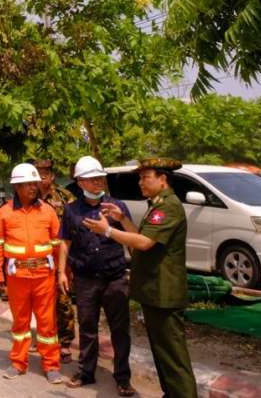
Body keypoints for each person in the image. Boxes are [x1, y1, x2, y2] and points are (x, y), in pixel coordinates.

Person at [83, 158, 196, 398]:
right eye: (140, 178)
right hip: (155, 291)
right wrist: (122, 219)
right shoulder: (156, 205)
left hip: (164, 292)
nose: (140, 182)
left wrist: (108, 230)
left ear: (163, 179)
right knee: (162, 352)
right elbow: (141, 239)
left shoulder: (168, 207)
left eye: (145, 177)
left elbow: (144, 243)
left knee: (173, 356)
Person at [59, 156, 135, 396]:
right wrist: (62, 272)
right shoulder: (71, 210)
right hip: (85, 279)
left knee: (120, 330)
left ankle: (123, 378)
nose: (98, 182)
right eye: (92, 179)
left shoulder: (117, 206)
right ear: (80, 182)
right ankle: (86, 372)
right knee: (87, 327)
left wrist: (122, 219)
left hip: (115, 278)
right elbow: (65, 242)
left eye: (100, 178)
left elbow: (134, 237)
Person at [0, 163, 63, 385]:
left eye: (34, 183)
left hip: (44, 276)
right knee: (20, 323)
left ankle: (51, 365)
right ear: (17, 187)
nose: (32, 187)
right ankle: (18, 362)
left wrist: (62, 272)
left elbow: (58, 244)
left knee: (47, 323)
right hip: (17, 278)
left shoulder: (48, 211)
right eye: (27, 184)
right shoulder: (4, 213)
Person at [34, 159, 76, 363]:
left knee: (63, 300)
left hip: (61, 257)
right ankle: (44, 337)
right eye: (38, 175)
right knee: (41, 301)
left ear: (51, 176)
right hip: (37, 257)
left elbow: (76, 225)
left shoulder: (65, 196)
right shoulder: (28, 197)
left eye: (44, 175)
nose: (41, 179)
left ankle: (65, 343)